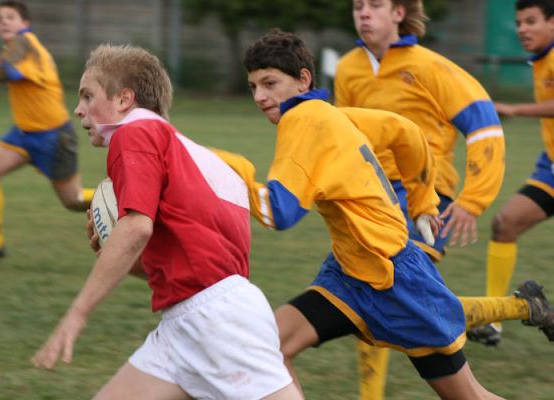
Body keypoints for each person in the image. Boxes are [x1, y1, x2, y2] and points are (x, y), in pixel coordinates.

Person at [213, 29, 554, 399]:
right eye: (253, 87)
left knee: (469, 396)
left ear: (303, 79)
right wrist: (422, 202)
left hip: (395, 279)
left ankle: (522, 305)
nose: (261, 96)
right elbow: (406, 133)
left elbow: (277, 211)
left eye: (270, 83)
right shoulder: (330, 115)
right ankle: (523, 306)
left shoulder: (305, 121)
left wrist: (215, 162)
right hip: (349, 275)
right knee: (268, 349)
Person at [32, 43, 302, 400]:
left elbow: (137, 227)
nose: (78, 109)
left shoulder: (133, 133)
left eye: (87, 95)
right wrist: (122, 258)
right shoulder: (191, 156)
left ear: (124, 99)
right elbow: (194, 263)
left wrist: (76, 315)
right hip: (192, 322)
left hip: (216, 324)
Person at [333, 0, 506, 397]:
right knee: (379, 290)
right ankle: (520, 307)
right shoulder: (348, 69)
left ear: (398, 13)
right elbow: (344, 138)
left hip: (426, 197)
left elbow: (484, 126)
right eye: (358, 5)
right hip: (368, 199)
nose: (363, 13)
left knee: (383, 287)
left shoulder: (432, 67)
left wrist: (473, 200)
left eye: (375, 5)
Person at [0, 0, 94, 263]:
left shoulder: (24, 43)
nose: (4, 22)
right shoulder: (16, 48)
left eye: (10, 17)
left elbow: (6, 70)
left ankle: (126, 197)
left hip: (54, 137)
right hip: (24, 134)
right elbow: (7, 70)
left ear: (25, 24)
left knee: (74, 200)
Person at [470, 0, 554, 346]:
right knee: (504, 224)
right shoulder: (540, 61)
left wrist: (513, 108)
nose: (522, 29)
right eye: (519, 22)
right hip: (550, 168)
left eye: (531, 21)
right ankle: (493, 321)